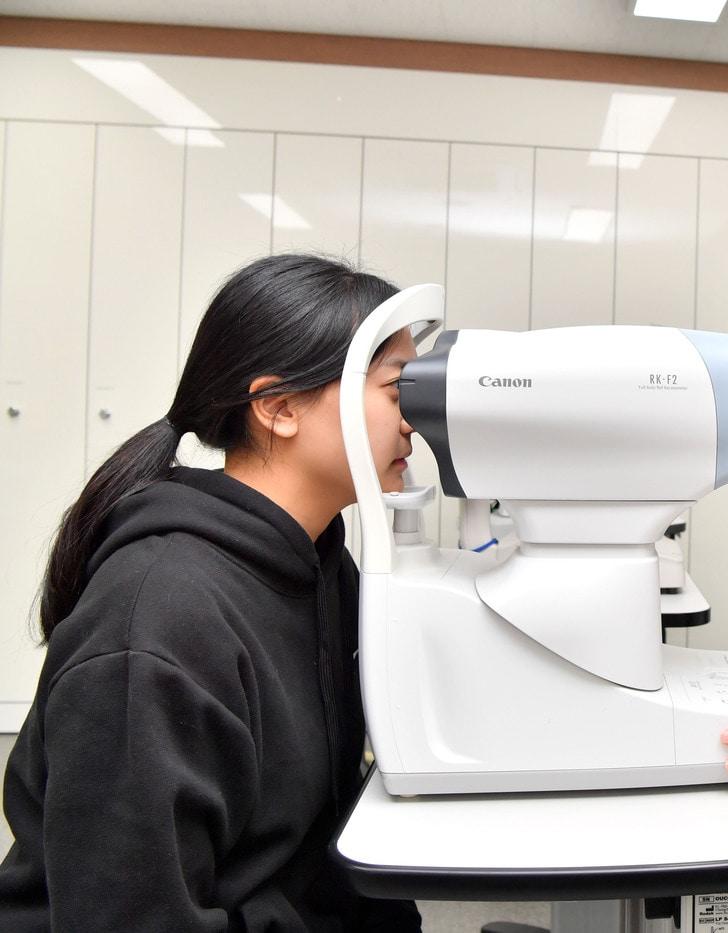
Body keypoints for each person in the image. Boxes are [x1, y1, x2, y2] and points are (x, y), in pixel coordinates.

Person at [0, 254, 423, 931]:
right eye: (398, 390)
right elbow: (129, 914)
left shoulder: (318, 563)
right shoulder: (158, 621)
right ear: (278, 408)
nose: (415, 421)